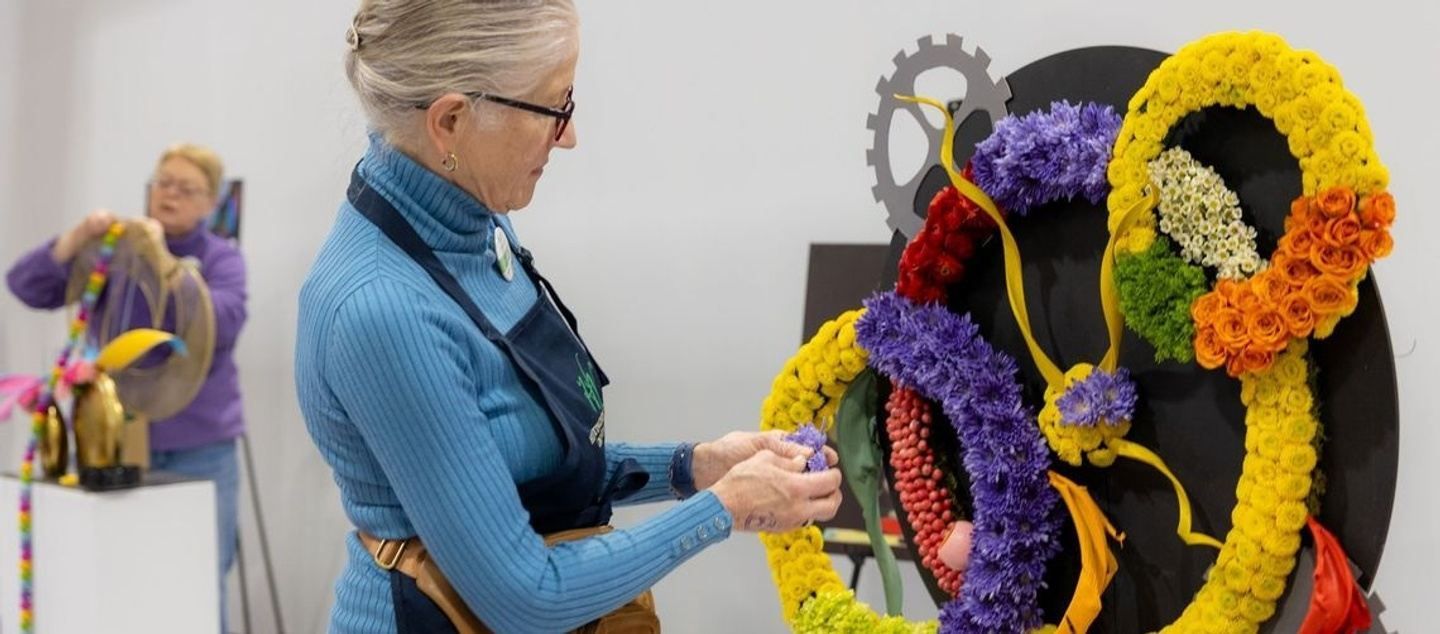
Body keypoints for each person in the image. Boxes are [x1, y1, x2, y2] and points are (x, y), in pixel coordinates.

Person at [295, 1, 844, 632]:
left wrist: (695, 466)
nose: (569, 136)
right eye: (553, 108)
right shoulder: (381, 312)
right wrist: (726, 507)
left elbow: (532, 469)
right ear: (450, 122)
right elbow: (528, 596)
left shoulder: (475, 221)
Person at [5, 143, 248, 632]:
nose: (170, 194)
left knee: (200, 574)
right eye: (163, 183)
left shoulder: (221, 259)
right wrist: (75, 238)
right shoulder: (114, 249)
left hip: (199, 446)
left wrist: (162, 260)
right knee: (115, 567)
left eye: (186, 188)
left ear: (210, 202)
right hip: (111, 440)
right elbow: (27, 286)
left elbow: (221, 325)